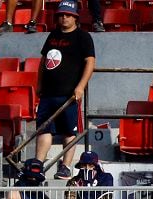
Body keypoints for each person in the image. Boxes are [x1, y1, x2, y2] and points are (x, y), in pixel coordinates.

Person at [36, 0, 96, 180]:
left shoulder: (83, 37)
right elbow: (43, 61)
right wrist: (39, 83)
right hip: (48, 93)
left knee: (69, 131)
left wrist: (80, 87)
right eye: (61, 15)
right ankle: (38, 164)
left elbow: (90, 63)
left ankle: (66, 166)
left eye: (68, 15)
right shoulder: (53, 35)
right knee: (43, 129)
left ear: (75, 17)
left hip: (68, 94)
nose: (64, 18)